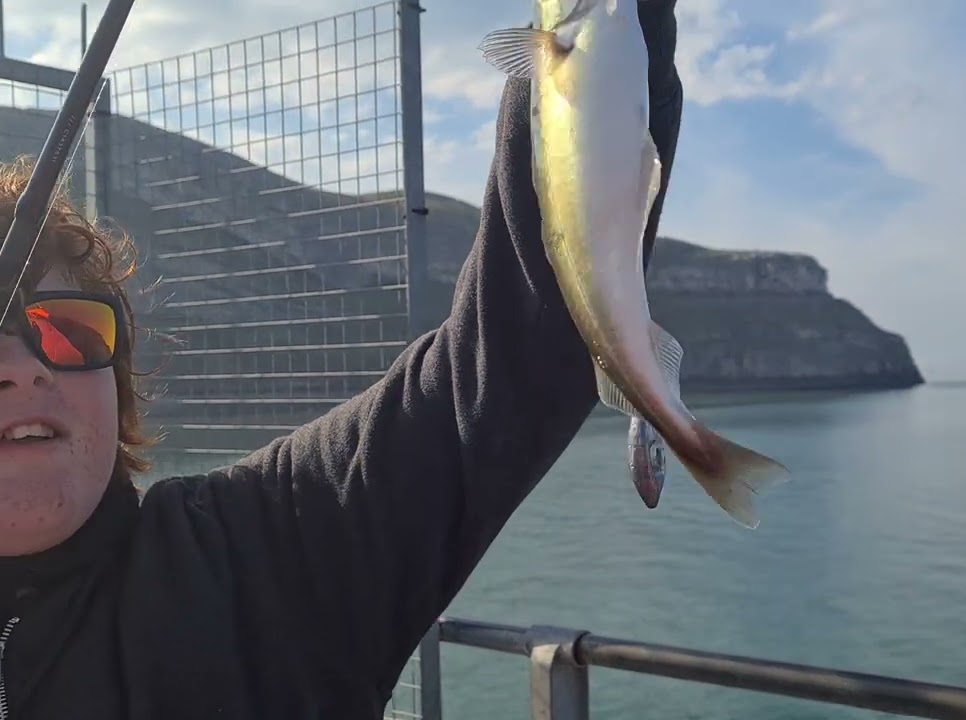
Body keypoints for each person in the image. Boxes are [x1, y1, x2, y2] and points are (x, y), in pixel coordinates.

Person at [0, 0, 683, 715]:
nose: (24, 367)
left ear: (119, 386)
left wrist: (603, 31)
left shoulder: (268, 558)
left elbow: (516, 348)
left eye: (68, 330)